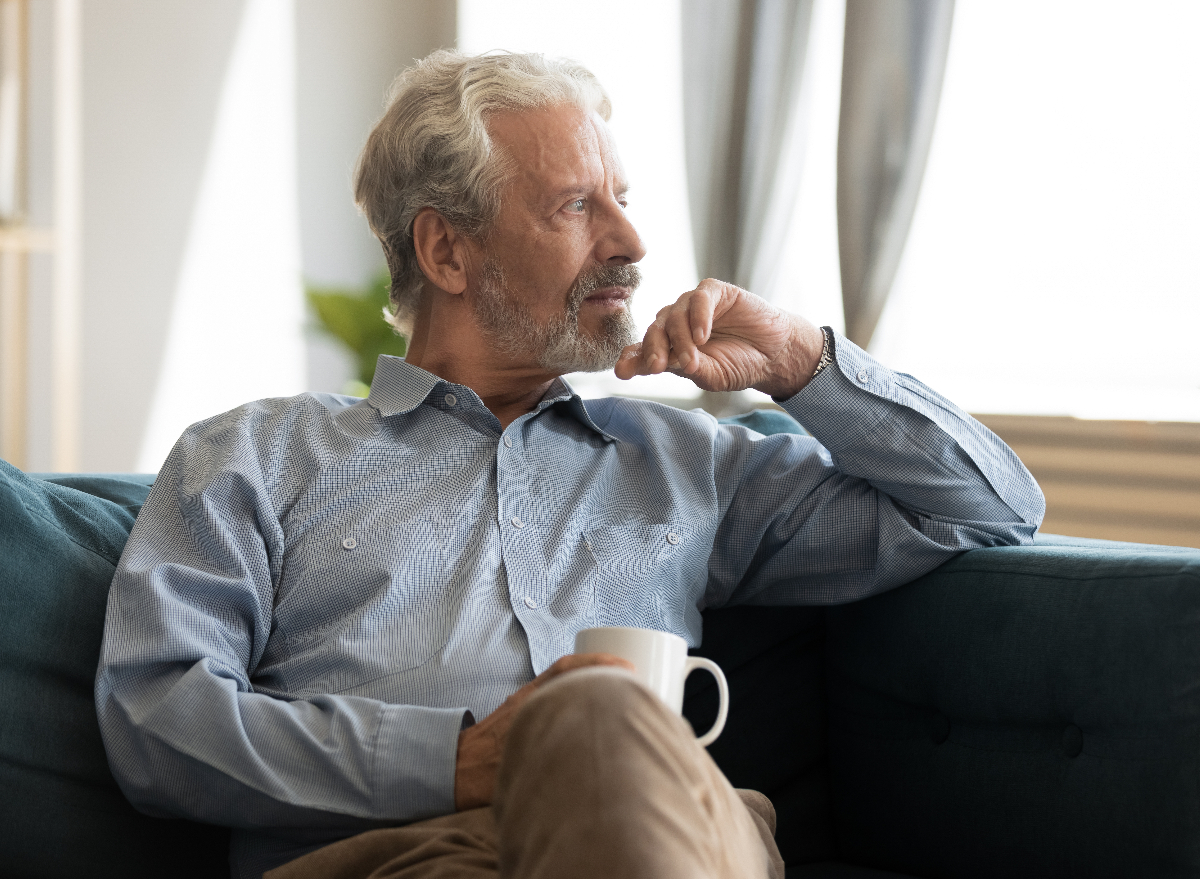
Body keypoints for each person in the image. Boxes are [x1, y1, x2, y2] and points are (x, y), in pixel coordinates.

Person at [96, 51, 1044, 879]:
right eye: (577, 206)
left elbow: (985, 507)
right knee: (597, 712)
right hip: (409, 857)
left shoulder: (685, 461)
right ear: (447, 249)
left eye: (622, 200)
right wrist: (456, 762)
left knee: (612, 734)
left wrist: (805, 362)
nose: (631, 243)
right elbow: (156, 719)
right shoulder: (256, 457)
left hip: (680, 839)